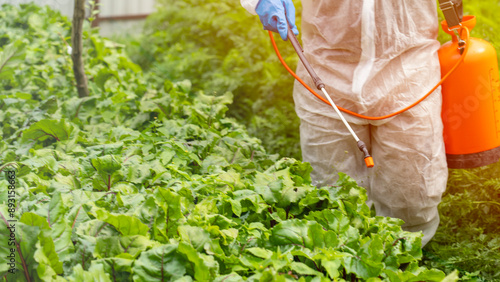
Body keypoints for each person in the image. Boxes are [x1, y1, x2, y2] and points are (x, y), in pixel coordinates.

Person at [241, 0, 463, 246]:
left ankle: (404, 258)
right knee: (331, 186)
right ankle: (338, 260)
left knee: (411, 185)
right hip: (326, 68)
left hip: (408, 69)